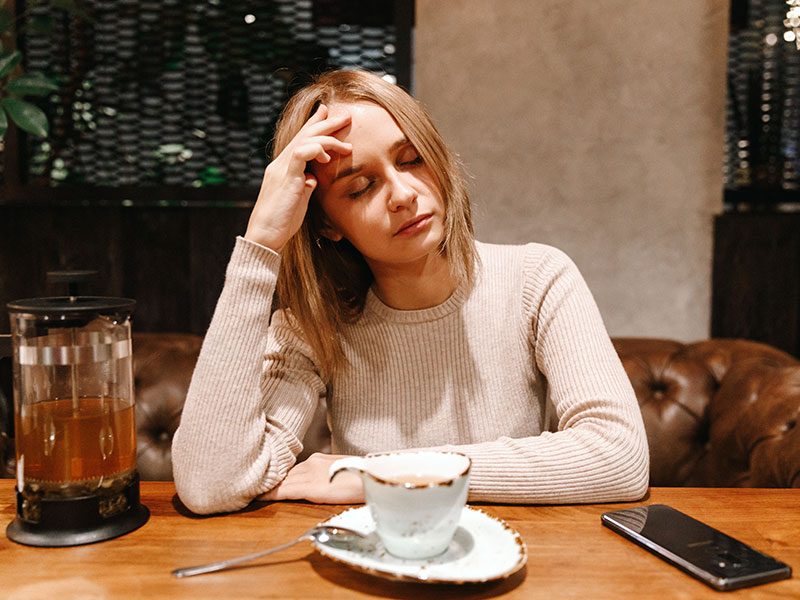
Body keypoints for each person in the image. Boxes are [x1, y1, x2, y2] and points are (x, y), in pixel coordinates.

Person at [171, 69, 650, 515]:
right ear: (326, 223)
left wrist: (384, 476)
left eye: (411, 159)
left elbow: (618, 457)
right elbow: (210, 485)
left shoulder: (537, 280)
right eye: (360, 187)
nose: (402, 194)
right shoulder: (314, 326)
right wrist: (260, 245)